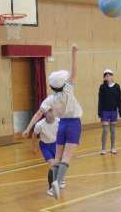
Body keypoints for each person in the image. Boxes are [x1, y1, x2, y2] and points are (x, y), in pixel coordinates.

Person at [22, 45, 82, 199]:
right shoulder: (68, 90)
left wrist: (28, 129)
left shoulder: (50, 99)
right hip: (73, 124)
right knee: (66, 157)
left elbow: (38, 114)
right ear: (64, 83)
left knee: (57, 158)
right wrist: (74, 53)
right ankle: (57, 183)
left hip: (61, 125)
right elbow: (74, 71)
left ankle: (55, 183)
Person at [31, 109, 59, 196]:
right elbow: (34, 135)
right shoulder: (40, 125)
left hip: (56, 145)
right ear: (45, 114)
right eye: (49, 112)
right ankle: (51, 188)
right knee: (52, 164)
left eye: (52, 111)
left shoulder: (59, 121)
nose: (51, 114)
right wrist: (34, 147)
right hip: (45, 146)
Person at [98, 69, 121, 154]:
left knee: (113, 131)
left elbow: (119, 99)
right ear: (104, 77)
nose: (108, 77)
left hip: (113, 111)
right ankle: (103, 149)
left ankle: (113, 148)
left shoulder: (117, 86)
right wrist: (99, 112)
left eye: (109, 75)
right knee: (105, 131)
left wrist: (120, 111)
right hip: (105, 112)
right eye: (106, 76)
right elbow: (100, 100)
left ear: (112, 76)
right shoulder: (102, 87)